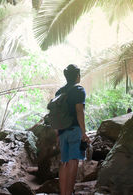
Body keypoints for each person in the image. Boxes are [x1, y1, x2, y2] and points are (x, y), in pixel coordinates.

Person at [55, 64, 90, 195]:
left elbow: (56, 115)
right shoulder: (79, 90)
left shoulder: (59, 92)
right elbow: (79, 110)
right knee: (73, 161)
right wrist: (84, 132)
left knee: (64, 162)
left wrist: (57, 134)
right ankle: (68, 193)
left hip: (62, 131)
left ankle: (63, 193)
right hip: (75, 129)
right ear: (77, 76)